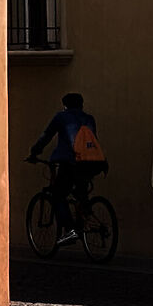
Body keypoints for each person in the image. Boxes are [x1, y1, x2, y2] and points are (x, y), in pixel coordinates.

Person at [29, 92, 107, 240]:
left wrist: (34, 152)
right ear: (81, 105)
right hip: (92, 164)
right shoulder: (89, 119)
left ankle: (71, 230)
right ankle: (86, 217)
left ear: (65, 106)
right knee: (80, 192)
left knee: (58, 194)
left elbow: (46, 135)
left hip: (71, 162)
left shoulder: (61, 117)